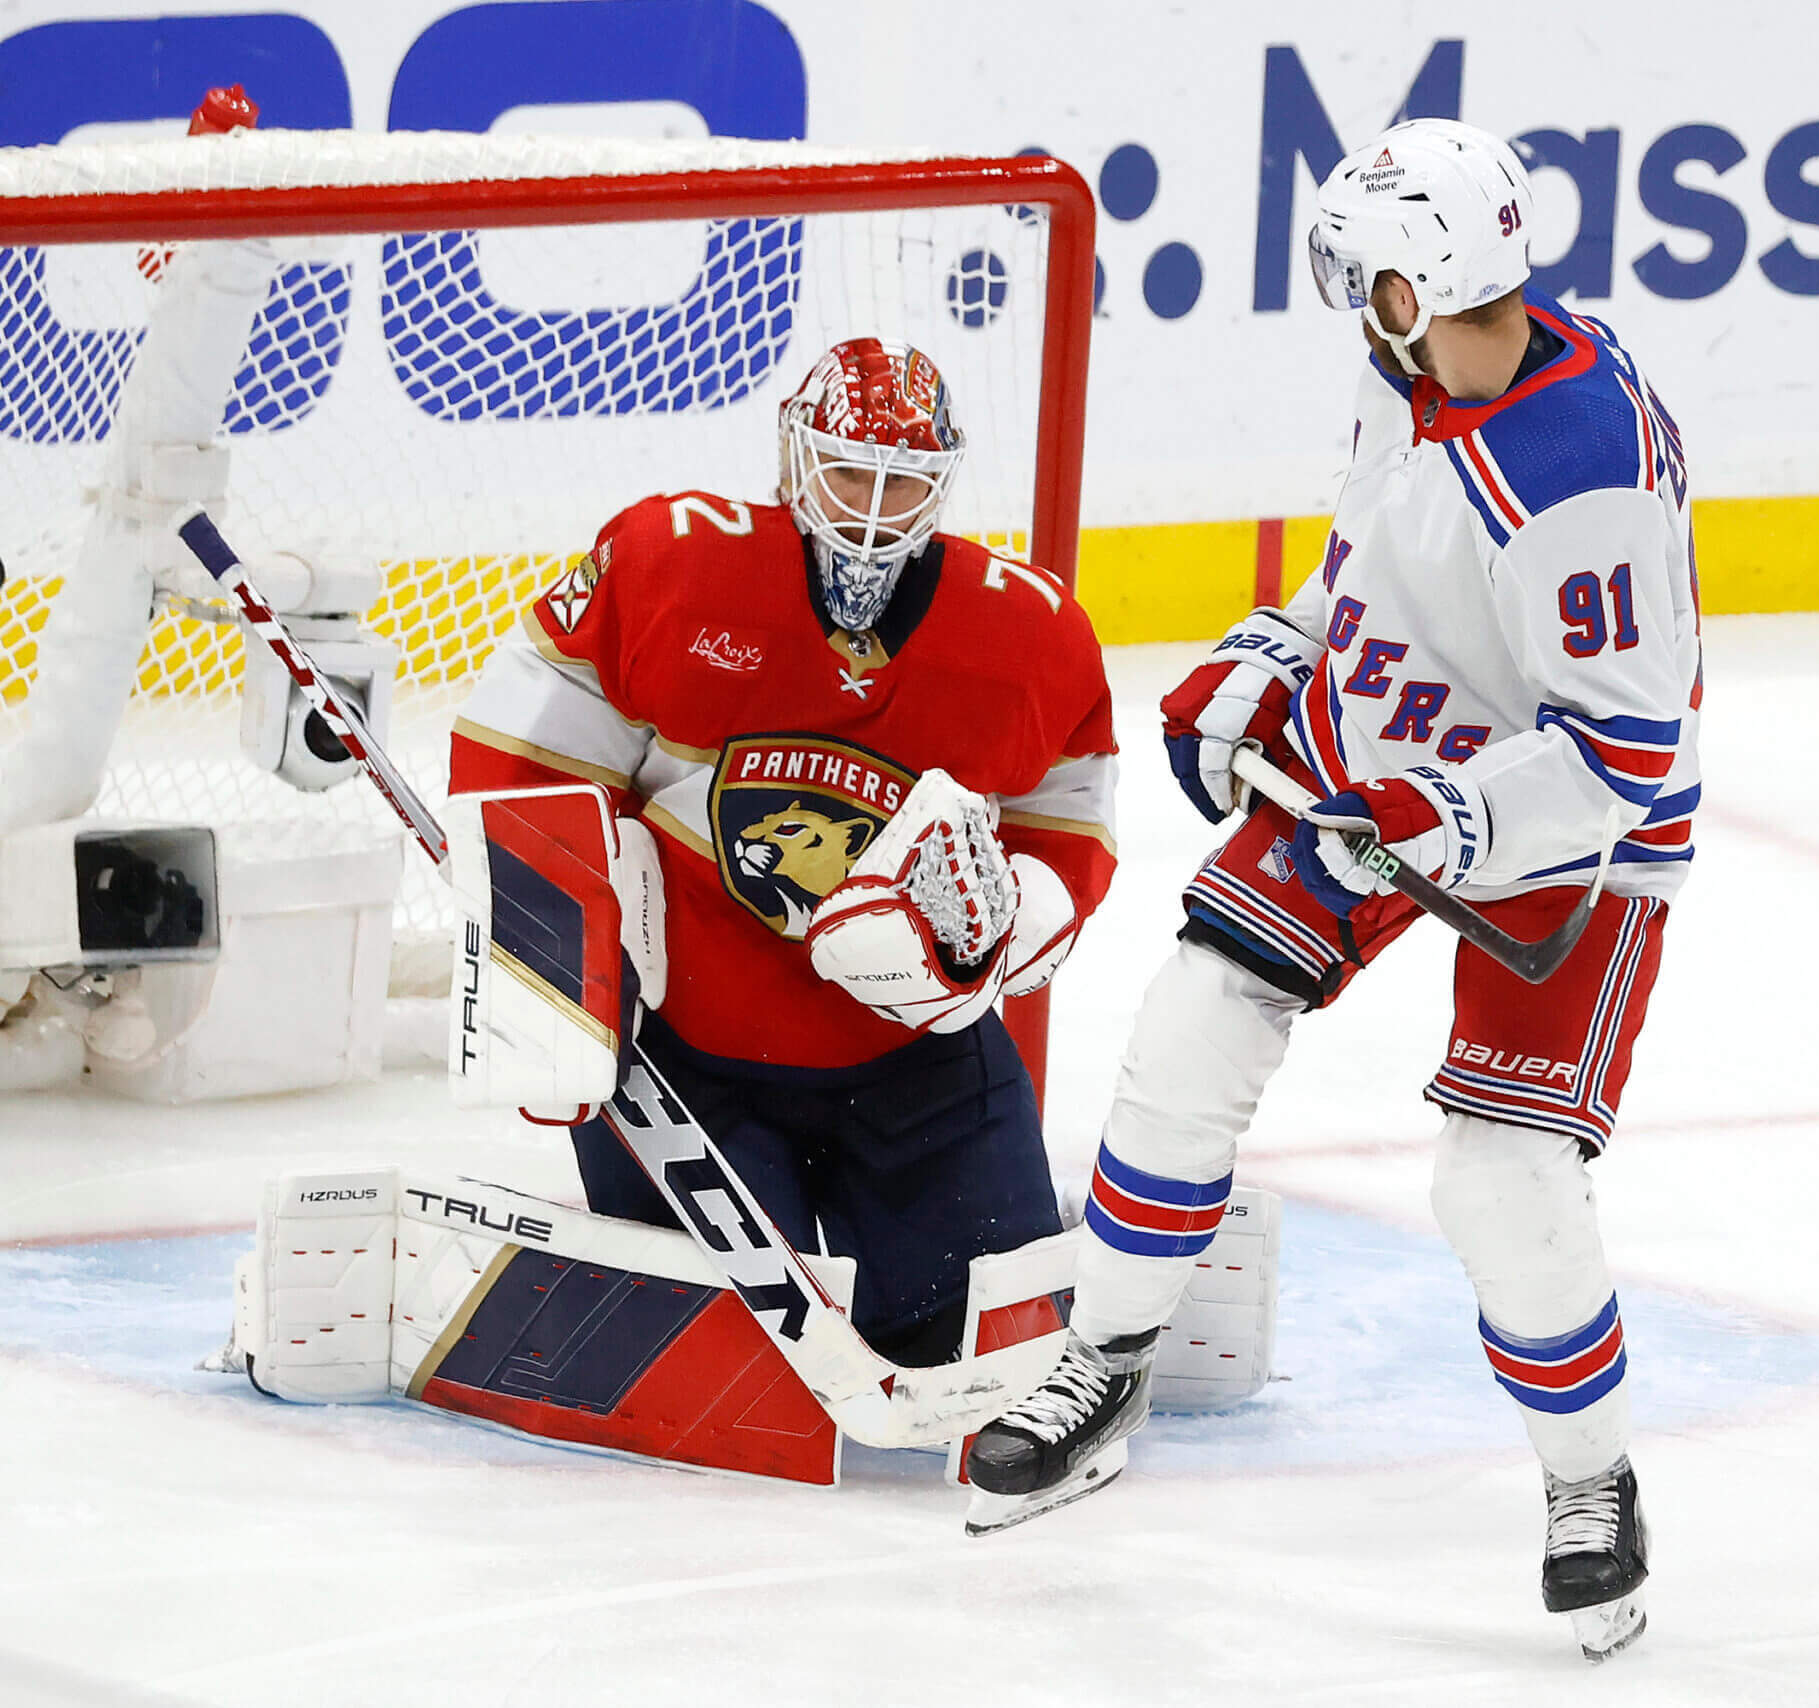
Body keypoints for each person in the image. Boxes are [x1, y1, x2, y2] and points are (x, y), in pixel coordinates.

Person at [965, 118, 1695, 1664]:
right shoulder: (1419, 368)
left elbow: (1621, 753)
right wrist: (1284, 650)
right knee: (1190, 1029)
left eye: (1364, 273)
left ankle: (1592, 1485)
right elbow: (1377, 560)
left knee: (1500, 1181)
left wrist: (1442, 812)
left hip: (1566, 834)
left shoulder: (1584, 481)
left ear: (1419, 281)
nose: (1348, 299)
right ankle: (1105, 1359)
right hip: (1391, 760)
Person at [447, 337, 1118, 1369]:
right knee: (716, 1362)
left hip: (914, 1064)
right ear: (796, 456)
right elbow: (519, 758)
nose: (871, 507)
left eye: (904, 485)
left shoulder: (1026, 633)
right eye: (850, 471)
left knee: (979, 1348)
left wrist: (1003, 923)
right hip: (684, 1056)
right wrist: (555, 980)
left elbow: (1069, 817)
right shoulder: (677, 565)